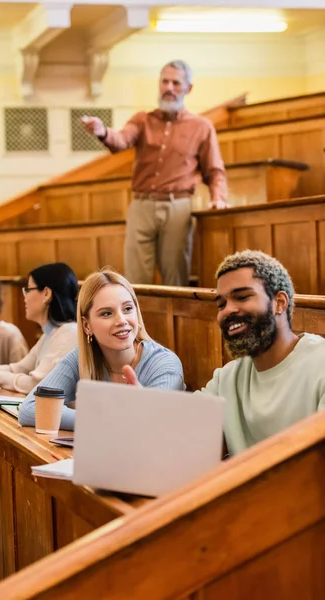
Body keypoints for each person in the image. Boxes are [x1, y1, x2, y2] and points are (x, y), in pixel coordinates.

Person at [81, 59, 228, 287]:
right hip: (142, 206)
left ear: (188, 89)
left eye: (176, 83)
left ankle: (173, 324)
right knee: (135, 281)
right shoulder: (142, 120)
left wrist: (219, 198)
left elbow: (215, 171)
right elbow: (121, 140)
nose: (169, 88)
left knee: (175, 278)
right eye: (165, 81)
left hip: (178, 208)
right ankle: (137, 323)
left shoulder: (202, 126)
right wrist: (103, 132)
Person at [18, 268, 184, 429]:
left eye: (127, 309)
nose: (121, 320)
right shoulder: (81, 357)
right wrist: (104, 419)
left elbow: (150, 422)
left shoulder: (165, 364)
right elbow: (30, 409)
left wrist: (104, 419)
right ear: (86, 325)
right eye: (106, 313)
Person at [201, 250, 325, 456]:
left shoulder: (319, 364)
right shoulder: (227, 378)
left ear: (279, 303)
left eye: (242, 297)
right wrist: (146, 408)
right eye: (221, 304)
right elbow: (185, 425)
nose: (228, 310)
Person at [0, 263, 78, 394]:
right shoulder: (49, 335)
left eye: (27, 290)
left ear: (46, 293)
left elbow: (39, 386)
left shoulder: (68, 333)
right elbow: (17, 369)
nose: (24, 298)